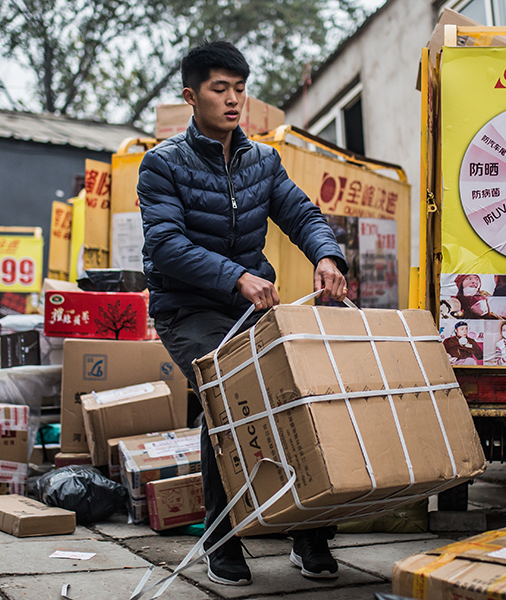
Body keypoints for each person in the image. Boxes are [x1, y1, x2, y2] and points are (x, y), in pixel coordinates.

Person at [137, 41, 348, 587]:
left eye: (239, 89)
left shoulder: (262, 160)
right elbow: (164, 245)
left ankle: (308, 531)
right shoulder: (163, 164)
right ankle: (221, 538)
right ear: (192, 96)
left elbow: (300, 212)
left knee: (293, 394)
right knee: (228, 399)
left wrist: (326, 255)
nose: (233, 100)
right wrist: (234, 275)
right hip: (187, 309)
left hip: (252, 303)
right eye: (219, 89)